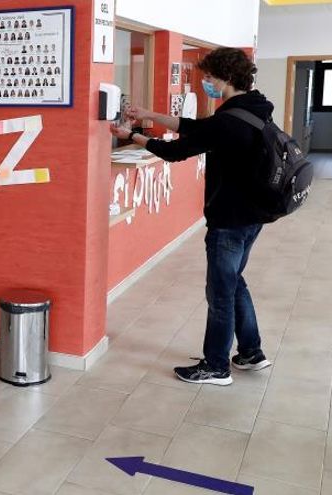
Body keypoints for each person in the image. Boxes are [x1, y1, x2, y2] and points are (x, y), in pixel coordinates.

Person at [109, 47, 274, 386]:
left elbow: (175, 150)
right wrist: (150, 114)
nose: (206, 84)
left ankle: (216, 366)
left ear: (225, 79)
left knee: (220, 293)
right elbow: (197, 127)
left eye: (210, 78)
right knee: (234, 282)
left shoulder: (229, 120)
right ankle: (251, 353)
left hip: (229, 219)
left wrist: (134, 136)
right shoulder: (253, 107)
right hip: (252, 215)